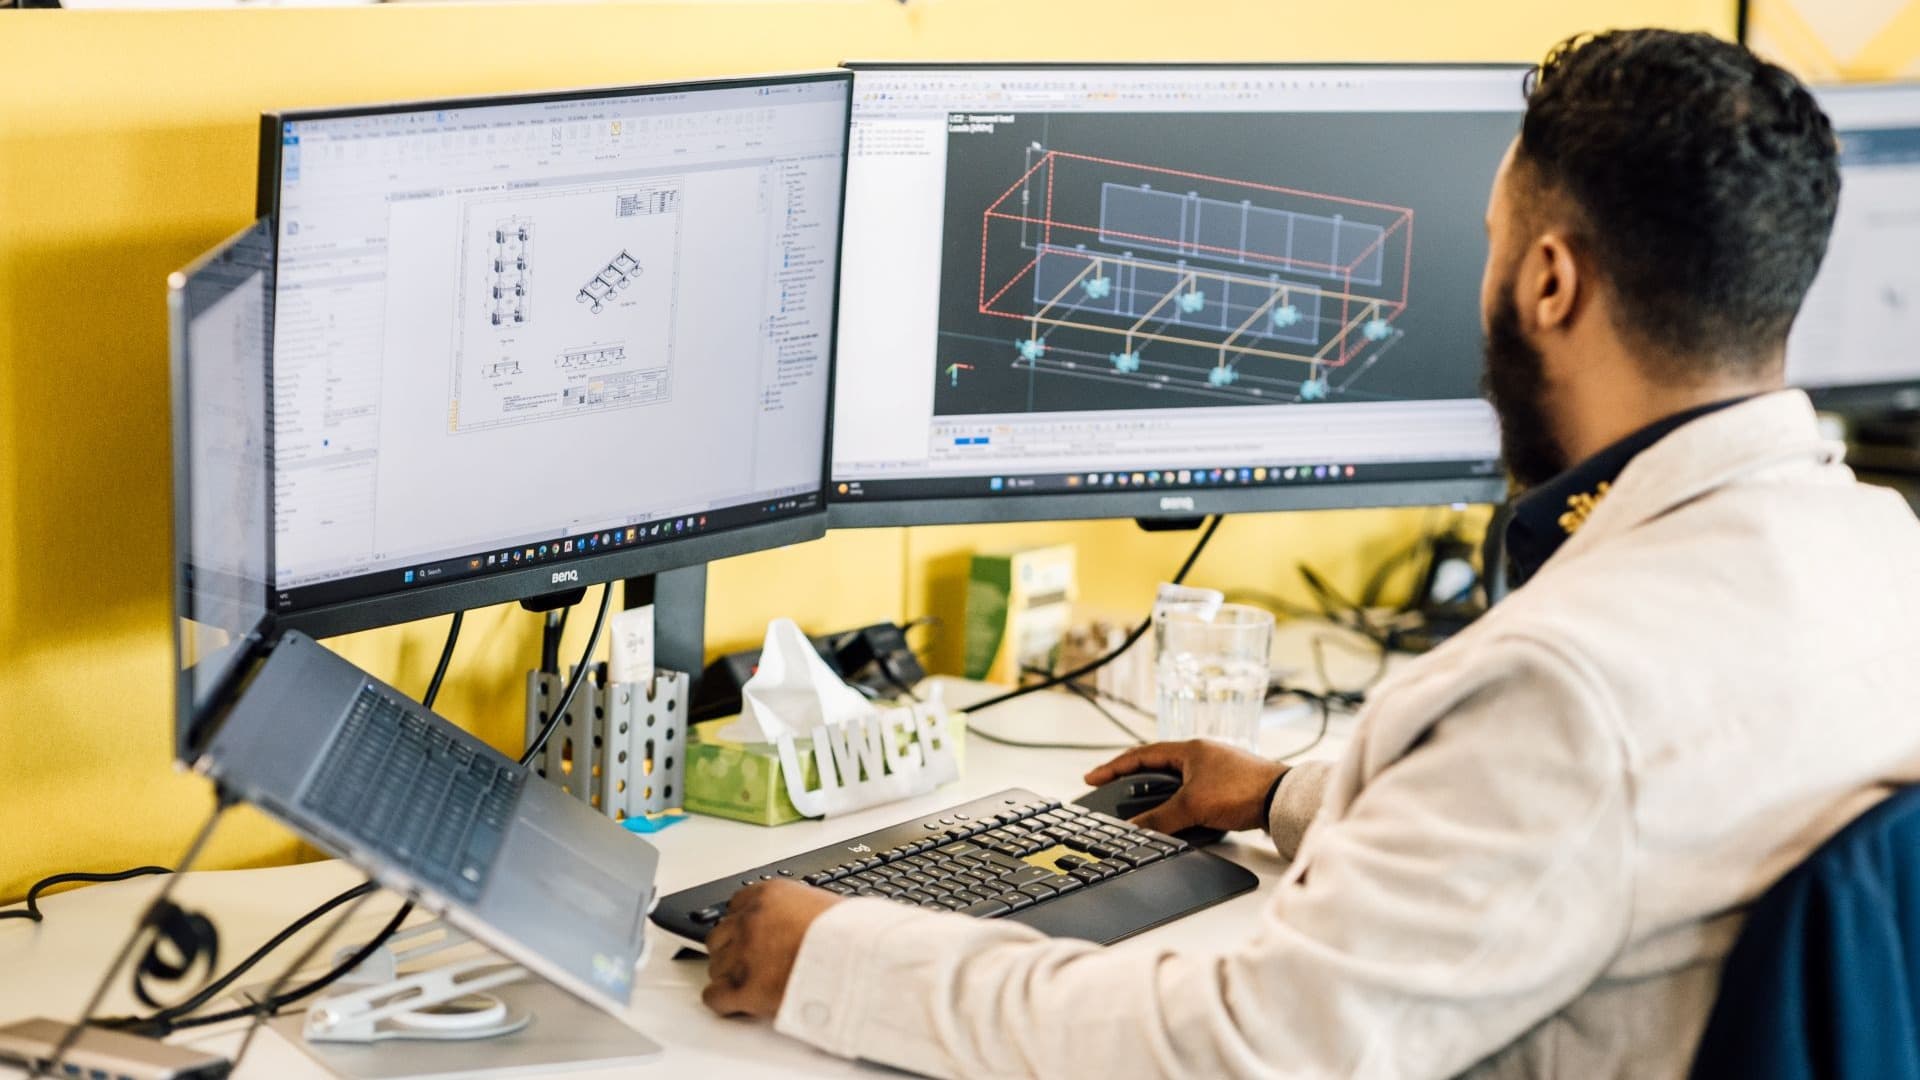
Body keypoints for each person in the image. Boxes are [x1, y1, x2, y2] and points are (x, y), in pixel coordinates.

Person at [700, 29, 1920, 1077]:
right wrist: (1287, 794)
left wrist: (837, 958)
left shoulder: (1566, 688)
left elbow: (1235, 1050)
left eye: (1493, 241)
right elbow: (1621, 836)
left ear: (1550, 282)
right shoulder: (1876, 554)